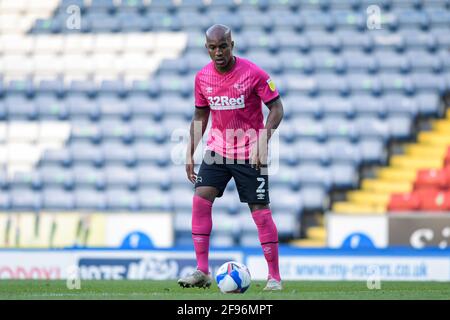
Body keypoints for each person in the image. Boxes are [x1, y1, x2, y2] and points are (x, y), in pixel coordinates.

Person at [177, 24, 284, 291]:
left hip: (250, 152)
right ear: (207, 49)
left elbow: (277, 108)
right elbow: (201, 116)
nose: (218, 52)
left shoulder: (253, 73)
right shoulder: (202, 78)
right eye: (212, 47)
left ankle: (274, 277)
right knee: (200, 199)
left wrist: (263, 139)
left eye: (223, 46)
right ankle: (202, 270)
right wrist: (190, 151)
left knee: (259, 211)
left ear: (231, 45)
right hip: (217, 150)